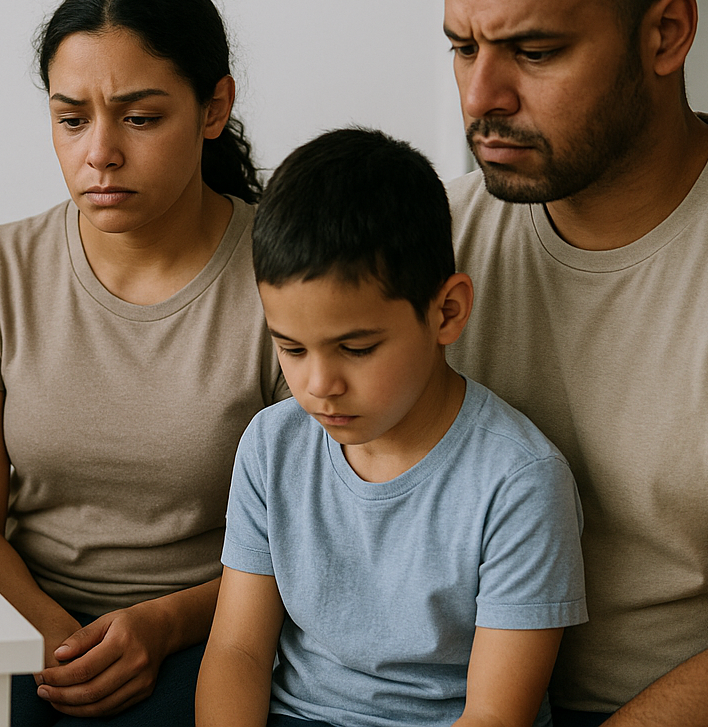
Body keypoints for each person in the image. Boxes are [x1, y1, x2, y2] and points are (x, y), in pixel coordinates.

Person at [0, 0, 281, 726]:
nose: (101, 153)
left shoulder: (287, 277)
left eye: (141, 117)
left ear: (213, 106)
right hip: (26, 618)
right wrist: (51, 633)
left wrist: (163, 625)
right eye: (72, 118)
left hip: (221, 630)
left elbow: (324, 537)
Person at [442, 0, 708, 725]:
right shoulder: (434, 246)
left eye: (534, 50)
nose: (481, 97)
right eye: (462, 48)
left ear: (666, 34)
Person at [196, 127, 586, 727]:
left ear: (447, 311)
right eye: (292, 349)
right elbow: (237, 650)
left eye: (355, 348)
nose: (319, 385)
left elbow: (494, 717)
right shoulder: (272, 446)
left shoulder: (520, 482)